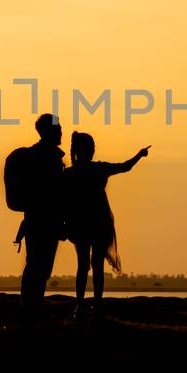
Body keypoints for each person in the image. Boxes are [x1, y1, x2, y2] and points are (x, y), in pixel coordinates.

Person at [62, 132, 150, 319]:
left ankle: (84, 305)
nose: (92, 151)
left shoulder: (71, 173)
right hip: (94, 221)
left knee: (85, 264)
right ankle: (90, 305)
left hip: (86, 223)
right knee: (92, 265)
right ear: (83, 150)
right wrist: (139, 155)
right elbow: (125, 167)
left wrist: (139, 155)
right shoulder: (92, 170)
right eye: (90, 148)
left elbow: (125, 167)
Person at [15, 113, 66, 323]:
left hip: (37, 220)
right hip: (44, 221)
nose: (61, 131)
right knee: (39, 266)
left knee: (38, 266)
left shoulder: (40, 156)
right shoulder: (48, 158)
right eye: (58, 128)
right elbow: (55, 192)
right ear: (49, 132)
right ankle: (30, 311)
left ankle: (31, 310)